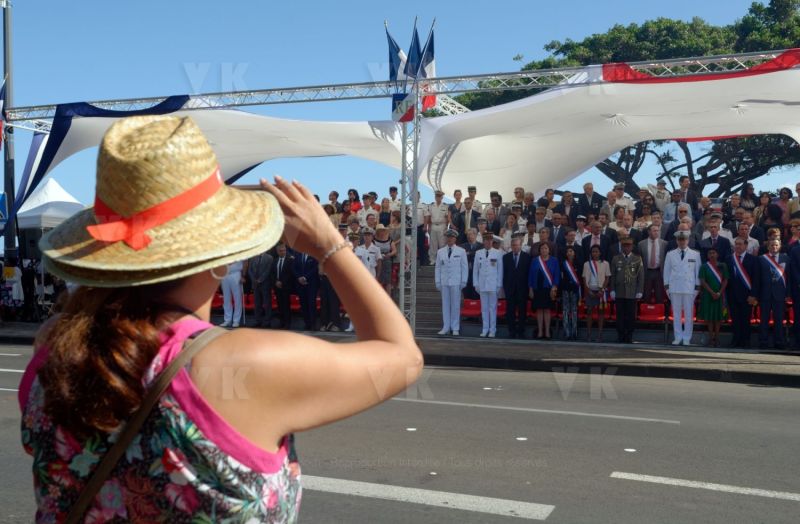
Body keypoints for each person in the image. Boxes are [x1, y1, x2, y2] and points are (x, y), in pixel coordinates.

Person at [19, 116, 422, 523]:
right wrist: (331, 246)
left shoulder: (54, 347)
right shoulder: (242, 362)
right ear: (220, 250)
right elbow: (402, 357)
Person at [664, 230, 702, 346]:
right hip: (675, 288)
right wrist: (667, 288)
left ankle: (687, 338)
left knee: (689, 314)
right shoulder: (670, 254)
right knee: (676, 314)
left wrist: (696, 289)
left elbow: (697, 273)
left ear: (688, 240)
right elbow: (666, 272)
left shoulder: (695, 254)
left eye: (684, 239)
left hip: (689, 288)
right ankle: (678, 337)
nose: (682, 242)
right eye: (680, 240)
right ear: (676, 241)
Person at [609, 237, 644, 344]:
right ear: (622, 246)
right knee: (620, 315)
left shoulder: (637, 259)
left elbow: (641, 276)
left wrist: (639, 290)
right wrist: (612, 289)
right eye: (624, 245)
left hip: (631, 292)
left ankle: (629, 336)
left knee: (630, 315)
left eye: (628, 245)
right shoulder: (616, 258)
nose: (626, 247)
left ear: (632, 246)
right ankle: (620, 335)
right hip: (619, 291)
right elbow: (613, 276)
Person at [757, 238, 790, 349]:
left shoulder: (786, 258)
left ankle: (779, 342)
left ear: (779, 246)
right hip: (765, 294)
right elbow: (757, 279)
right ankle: (763, 342)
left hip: (780, 294)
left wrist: (788, 294)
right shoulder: (761, 259)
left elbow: (789, 278)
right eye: (772, 245)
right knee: (764, 319)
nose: (774, 247)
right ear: (768, 247)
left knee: (779, 320)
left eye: (776, 245)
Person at [435, 230, 469, 336]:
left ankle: (455, 327)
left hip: (456, 281)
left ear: (455, 239)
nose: (449, 239)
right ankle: (446, 327)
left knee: (455, 305)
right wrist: (437, 281)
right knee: (445, 305)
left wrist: (464, 280)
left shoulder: (461, 251)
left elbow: (465, 267)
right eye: (448, 237)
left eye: (451, 237)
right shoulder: (440, 252)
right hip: (445, 281)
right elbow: (438, 268)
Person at [727, 237, 758, 348]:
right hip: (733, 295)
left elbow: (756, 279)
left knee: (745, 320)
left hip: (747, 296)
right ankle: (735, 340)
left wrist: (753, 295)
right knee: (735, 320)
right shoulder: (729, 259)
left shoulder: (753, 259)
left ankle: (745, 341)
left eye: (740, 244)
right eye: (736, 244)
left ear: (746, 246)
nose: (738, 246)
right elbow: (727, 279)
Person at [473, 232, 504, 338]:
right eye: (486, 240)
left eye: (490, 240)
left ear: (492, 241)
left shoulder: (498, 253)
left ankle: (492, 330)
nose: (488, 242)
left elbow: (500, 270)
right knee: (484, 308)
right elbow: (475, 270)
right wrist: (475, 283)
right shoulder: (478, 253)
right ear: (483, 241)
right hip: (482, 285)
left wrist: (499, 285)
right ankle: (485, 329)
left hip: (493, 284)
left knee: (492, 308)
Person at [698, 247, 729, 347]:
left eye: (714, 253)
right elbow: (702, 281)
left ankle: (717, 338)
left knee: (718, 317)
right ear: (707, 255)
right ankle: (711, 339)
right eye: (710, 253)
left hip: (720, 295)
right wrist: (712, 292)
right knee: (710, 317)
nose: (712, 255)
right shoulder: (704, 266)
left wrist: (719, 292)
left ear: (717, 254)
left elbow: (725, 280)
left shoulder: (723, 265)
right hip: (708, 295)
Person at [528, 243, 560, 339]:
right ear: (540, 250)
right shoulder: (535, 260)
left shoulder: (554, 260)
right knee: (539, 310)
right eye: (542, 248)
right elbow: (530, 275)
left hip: (549, 289)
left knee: (547, 310)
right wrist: (530, 289)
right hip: (537, 288)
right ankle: (540, 332)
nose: (544, 250)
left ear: (549, 250)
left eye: (546, 248)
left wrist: (554, 288)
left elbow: (557, 275)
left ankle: (547, 332)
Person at [502, 237, 532, 339]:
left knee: (522, 312)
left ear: (521, 245)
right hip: (510, 289)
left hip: (522, 289)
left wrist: (529, 288)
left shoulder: (527, 257)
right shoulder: (506, 257)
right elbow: (504, 274)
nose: (515, 247)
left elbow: (528, 274)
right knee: (510, 312)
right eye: (513, 245)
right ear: (511, 246)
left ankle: (521, 332)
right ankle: (511, 332)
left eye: (517, 245)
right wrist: (505, 288)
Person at [582, 245, 611, 342]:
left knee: (600, 312)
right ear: (591, 253)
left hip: (600, 291)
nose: (595, 253)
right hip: (590, 290)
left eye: (597, 251)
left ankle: (600, 334)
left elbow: (607, 278)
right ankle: (589, 334)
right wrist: (588, 291)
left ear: (600, 253)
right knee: (589, 311)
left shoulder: (605, 263)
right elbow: (584, 279)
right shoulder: (587, 264)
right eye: (593, 251)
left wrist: (602, 289)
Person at [639, 224, 667, 303]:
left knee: (659, 295)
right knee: (646, 295)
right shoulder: (641, 244)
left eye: (658, 231)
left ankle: (660, 313)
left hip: (659, 272)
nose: (656, 232)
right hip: (647, 272)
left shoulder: (664, 244)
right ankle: (645, 312)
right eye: (654, 231)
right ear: (648, 232)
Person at [293, 249, 320, 331]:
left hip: (311, 284)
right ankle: (307, 323)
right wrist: (299, 277)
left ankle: (313, 324)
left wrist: (305, 277)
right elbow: (294, 268)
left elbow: (315, 268)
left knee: (311, 304)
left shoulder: (313, 254)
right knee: (303, 304)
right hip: (300, 285)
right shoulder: (297, 254)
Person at [248, 250, 274, 328]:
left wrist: (260, 279)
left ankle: (267, 321)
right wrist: (254, 280)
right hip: (255, 284)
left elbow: (268, 270)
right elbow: (250, 270)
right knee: (257, 303)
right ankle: (257, 321)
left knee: (267, 303)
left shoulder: (269, 258)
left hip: (265, 284)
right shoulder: (253, 257)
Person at [560, 246, 582, 340]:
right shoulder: (563, 264)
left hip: (574, 290)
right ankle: (567, 333)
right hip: (565, 290)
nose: (569, 253)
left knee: (574, 311)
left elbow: (580, 279)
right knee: (565, 311)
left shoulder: (578, 264)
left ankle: (574, 332)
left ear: (574, 253)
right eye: (568, 251)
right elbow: (560, 277)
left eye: (571, 251)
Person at [271, 243, 294, 329]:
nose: (283, 252)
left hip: (286, 287)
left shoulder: (289, 260)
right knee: (280, 306)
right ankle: (282, 322)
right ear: (277, 251)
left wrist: (282, 282)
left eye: (284, 250)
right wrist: (276, 282)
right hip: (277, 287)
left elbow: (289, 273)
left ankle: (287, 323)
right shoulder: (275, 261)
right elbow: (272, 273)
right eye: (281, 251)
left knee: (286, 306)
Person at [220, 260, 246, 328]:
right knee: (226, 299)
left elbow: (245, 262)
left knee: (237, 299)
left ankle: (236, 320)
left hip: (236, 274)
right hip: (224, 274)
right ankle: (227, 320)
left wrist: (243, 275)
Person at [428, 190, 450, 264]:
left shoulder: (445, 206)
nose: (438, 197)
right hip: (433, 225)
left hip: (442, 226)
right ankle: (433, 260)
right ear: (435, 197)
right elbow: (429, 217)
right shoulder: (431, 205)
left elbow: (447, 217)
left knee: (442, 244)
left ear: (442, 197)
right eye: (437, 196)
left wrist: (446, 227)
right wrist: (429, 226)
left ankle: (442, 259)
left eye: (439, 196)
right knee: (433, 244)